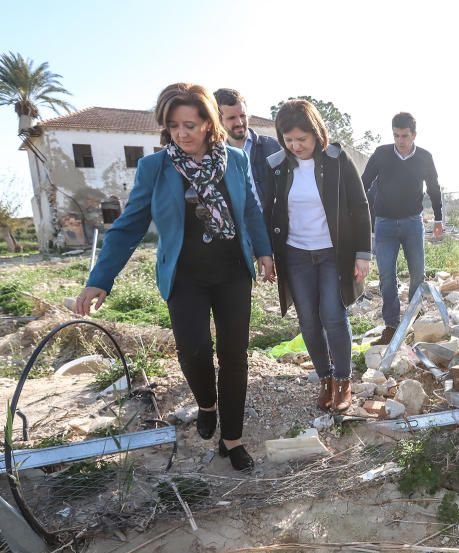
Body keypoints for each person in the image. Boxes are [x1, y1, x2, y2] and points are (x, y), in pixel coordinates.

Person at [75, 83, 274, 472]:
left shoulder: (235, 161)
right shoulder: (155, 168)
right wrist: (101, 278)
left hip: (232, 271)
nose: (181, 134)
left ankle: (232, 440)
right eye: (173, 126)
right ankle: (207, 403)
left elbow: (249, 210)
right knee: (193, 350)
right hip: (185, 277)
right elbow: (128, 226)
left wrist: (264, 250)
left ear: (207, 124)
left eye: (190, 125)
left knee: (234, 357)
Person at [267, 99, 372, 413]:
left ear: (317, 134)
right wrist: (267, 255)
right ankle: (325, 379)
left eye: (303, 139)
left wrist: (363, 253)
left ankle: (343, 381)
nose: (296, 146)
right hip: (296, 255)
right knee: (309, 322)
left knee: (333, 315)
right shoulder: (278, 166)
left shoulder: (337, 161)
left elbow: (360, 206)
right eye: (289, 140)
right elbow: (269, 210)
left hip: (331, 253)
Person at [361, 112, 443, 345]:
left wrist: (438, 218)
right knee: (387, 276)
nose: (400, 141)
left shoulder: (424, 157)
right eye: (396, 135)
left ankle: (414, 319)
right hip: (384, 224)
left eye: (405, 136)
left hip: (412, 222)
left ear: (414, 135)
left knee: (418, 272)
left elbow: (434, 188)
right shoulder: (382, 154)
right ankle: (391, 326)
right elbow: (363, 182)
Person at [214, 88, 282, 224]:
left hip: (273, 230)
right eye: (232, 118)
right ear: (218, 120)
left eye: (243, 116)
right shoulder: (214, 156)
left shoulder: (273, 147)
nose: (239, 122)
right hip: (238, 234)